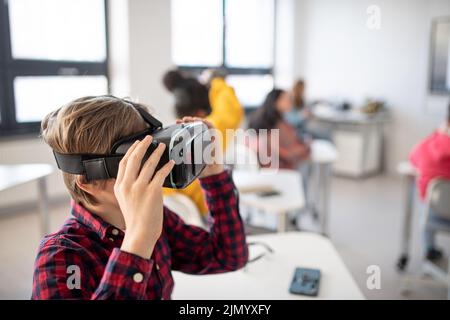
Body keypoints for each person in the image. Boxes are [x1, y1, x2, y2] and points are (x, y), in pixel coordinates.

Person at [32, 96, 248, 299]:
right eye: (136, 162)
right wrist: (139, 241)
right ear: (89, 182)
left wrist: (214, 175)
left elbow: (227, 256)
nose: (154, 168)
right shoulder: (61, 256)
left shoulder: (158, 218)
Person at [162, 69, 244, 217]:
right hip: (204, 213)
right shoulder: (206, 131)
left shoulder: (169, 135)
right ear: (201, 112)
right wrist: (217, 81)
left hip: (176, 219)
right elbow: (230, 111)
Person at [409, 102, 450, 261]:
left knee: (427, 195)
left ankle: (429, 249)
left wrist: (437, 135)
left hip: (434, 214)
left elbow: (412, 158)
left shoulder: (429, 145)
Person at [248, 89, 310, 169]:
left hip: (277, 167)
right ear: (275, 102)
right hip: (275, 170)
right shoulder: (271, 126)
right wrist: (305, 148)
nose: (290, 101)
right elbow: (287, 155)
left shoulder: (279, 121)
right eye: (286, 99)